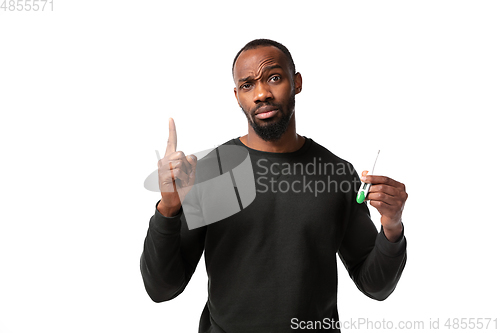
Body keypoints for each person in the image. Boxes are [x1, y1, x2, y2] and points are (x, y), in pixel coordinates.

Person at [140, 39, 408, 332]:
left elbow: (375, 286)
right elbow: (161, 288)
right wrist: (168, 209)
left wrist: (392, 227)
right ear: (237, 95)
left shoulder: (336, 173)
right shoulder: (209, 173)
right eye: (247, 85)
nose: (261, 94)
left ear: (297, 83)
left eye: (274, 78)